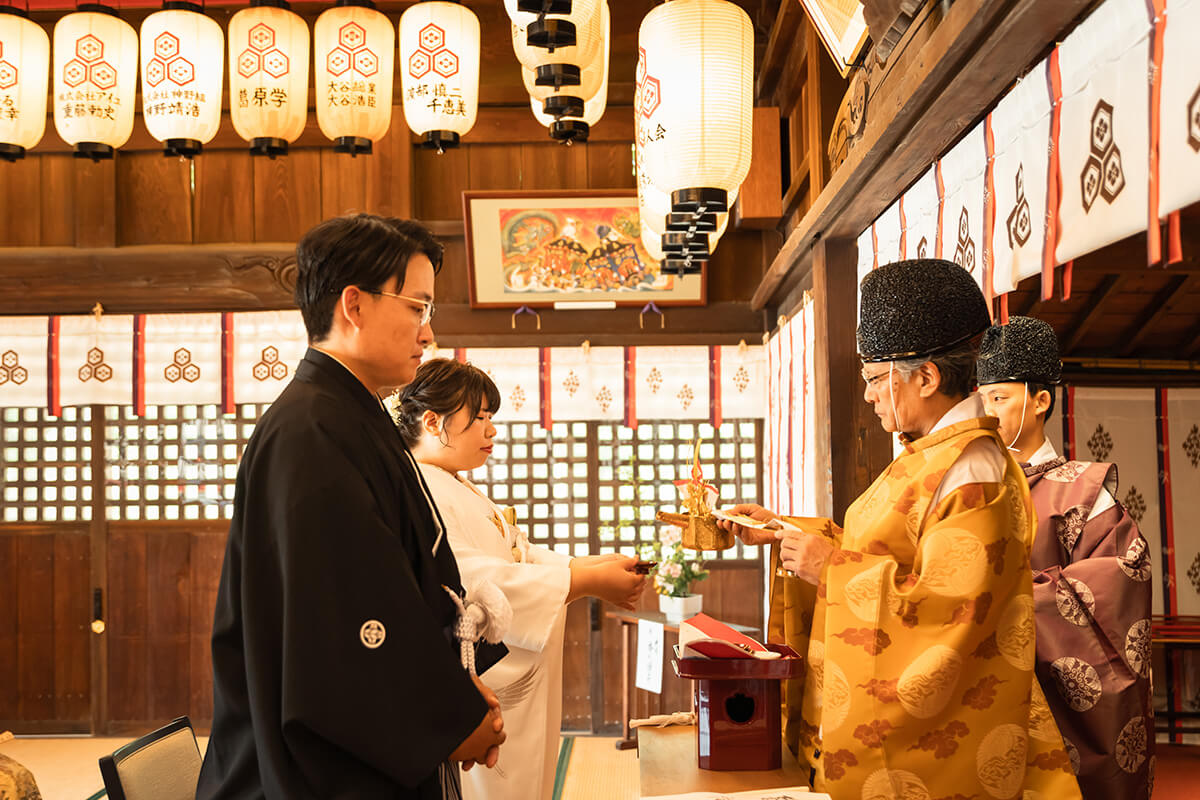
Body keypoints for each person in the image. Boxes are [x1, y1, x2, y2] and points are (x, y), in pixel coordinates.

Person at [718, 259, 1081, 798]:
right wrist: (783, 531)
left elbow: (950, 614)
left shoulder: (972, 469)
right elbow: (887, 551)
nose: (869, 396)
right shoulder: (933, 455)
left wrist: (829, 568)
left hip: (944, 747)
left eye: (873, 379)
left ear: (927, 377)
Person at [197, 214, 508, 800]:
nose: (427, 332)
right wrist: (448, 719)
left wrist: (456, 695)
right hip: (319, 769)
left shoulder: (348, 416)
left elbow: (402, 587)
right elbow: (350, 624)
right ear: (355, 305)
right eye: (417, 307)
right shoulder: (310, 430)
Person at [394, 358, 646, 800]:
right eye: (480, 419)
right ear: (433, 422)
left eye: (492, 418)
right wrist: (585, 583)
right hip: (482, 676)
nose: (491, 431)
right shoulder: (419, 490)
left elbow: (519, 554)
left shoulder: (457, 484)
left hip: (515, 676)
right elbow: (471, 581)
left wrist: (586, 566)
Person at [977, 315, 1154, 799]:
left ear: (1040, 401)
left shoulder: (1084, 489)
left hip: (1053, 695)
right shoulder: (966, 485)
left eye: (1000, 397)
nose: (987, 412)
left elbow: (1121, 577)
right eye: (981, 399)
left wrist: (1002, 602)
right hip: (977, 682)